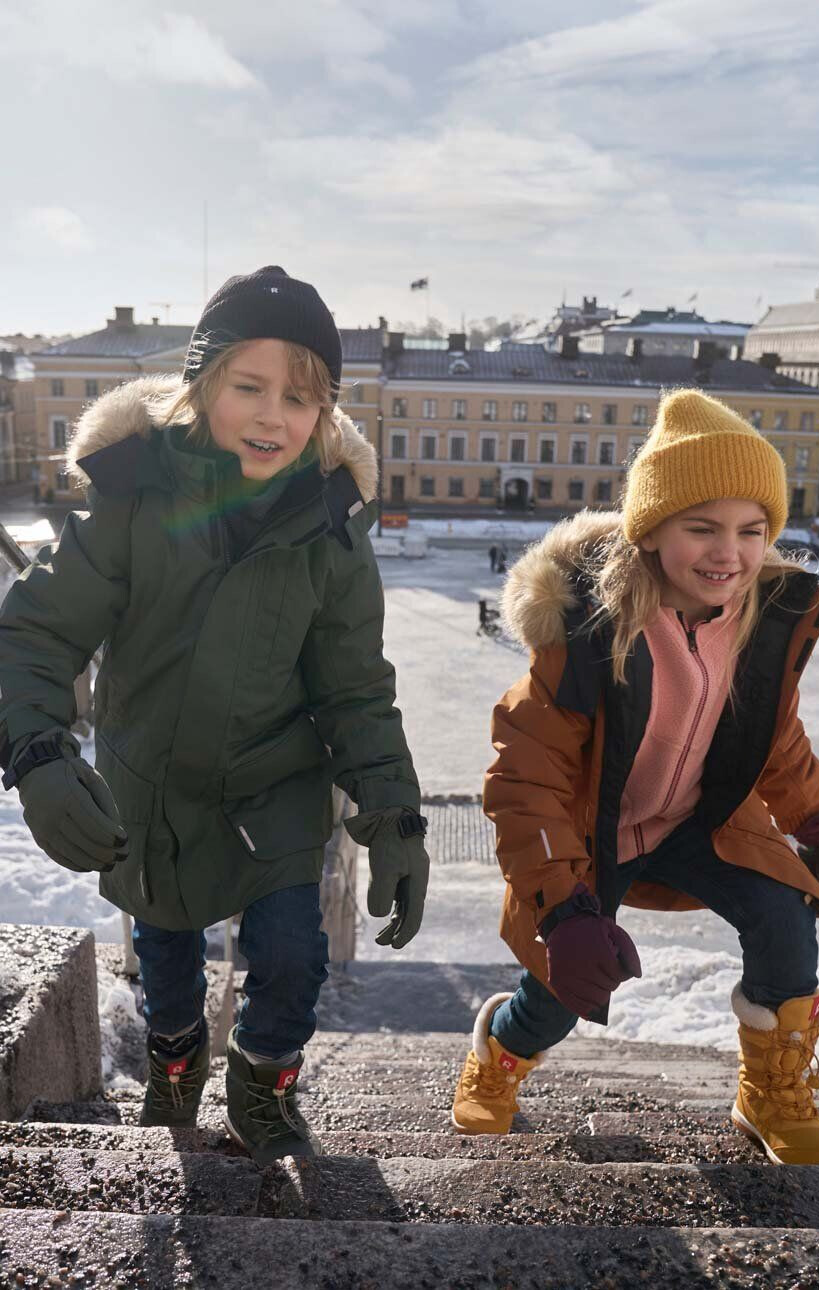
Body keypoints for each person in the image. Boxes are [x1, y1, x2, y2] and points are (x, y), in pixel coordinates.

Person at [0, 266, 430, 1164]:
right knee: (166, 960)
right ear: (201, 386)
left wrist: (391, 812)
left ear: (327, 414)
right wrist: (38, 754)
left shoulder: (330, 531)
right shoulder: (130, 505)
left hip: (273, 784)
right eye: (250, 387)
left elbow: (354, 683)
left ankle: (262, 1082)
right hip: (148, 791)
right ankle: (174, 1060)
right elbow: (34, 635)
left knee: (290, 957)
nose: (275, 416)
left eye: (303, 398)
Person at [452, 388, 819, 1166]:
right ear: (650, 533)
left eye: (750, 530)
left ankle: (767, 1093)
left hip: (699, 822)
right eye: (699, 527)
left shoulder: (758, 622)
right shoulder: (588, 631)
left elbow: (776, 741)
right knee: (559, 994)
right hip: (589, 832)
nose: (727, 553)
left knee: (784, 921)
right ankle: (499, 1053)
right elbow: (524, 779)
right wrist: (565, 912)